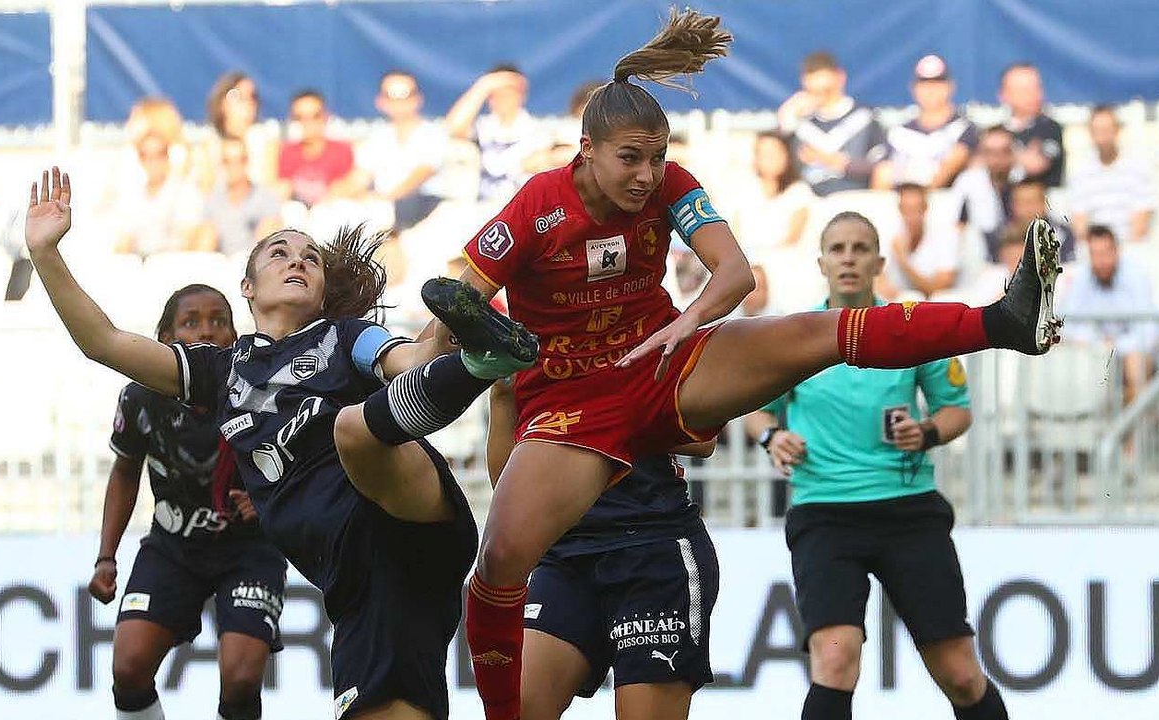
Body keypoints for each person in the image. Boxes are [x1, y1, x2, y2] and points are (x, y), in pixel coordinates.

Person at [448, 11, 1062, 720]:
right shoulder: (536, 210)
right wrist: (450, 371)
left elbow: (734, 274)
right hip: (579, 420)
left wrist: (682, 324)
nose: (648, 174)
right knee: (496, 564)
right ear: (585, 150)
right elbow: (456, 301)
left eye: (658, 155)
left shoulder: (672, 182)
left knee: (812, 330)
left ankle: (1002, 321)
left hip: (663, 386)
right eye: (631, 158)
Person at [26, 165, 540, 720]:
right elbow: (103, 342)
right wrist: (45, 255)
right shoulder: (222, 371)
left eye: (310, 258)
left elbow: (411, 363)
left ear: (322, 292)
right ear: (247, 287)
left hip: (404, 512)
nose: (297, 260)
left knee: (352, 430)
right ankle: (480, 362)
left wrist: (451, 326)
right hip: (356, 574)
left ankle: (482, 363)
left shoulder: (344, 337)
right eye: (279, 253)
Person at [741, 212, 1003, 720]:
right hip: (825, 513)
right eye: (837, 248)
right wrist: (773, 436)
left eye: (860, 248)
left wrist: (926, 432)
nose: (848, 258)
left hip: (908, 511)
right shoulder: (797, 336)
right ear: (821, 263)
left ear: (879, 262)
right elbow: (755, 408)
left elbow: (957, 410)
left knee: (961, 674)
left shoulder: (912, 330)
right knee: (835, 663)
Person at [90, 284, 286, 720]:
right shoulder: (140, 396)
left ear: (236, 337)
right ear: (164, 339)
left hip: (249, 551)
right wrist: (106, 557)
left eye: (219, 322)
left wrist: (268, 503)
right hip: (173, 548)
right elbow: (125, 471)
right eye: (190, 322)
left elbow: (302, 463)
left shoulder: (263, 391)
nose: (206, 332)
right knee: (129, 665)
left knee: (240, 677)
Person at [487, 378, 720, 720]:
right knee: (519, 708)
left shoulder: (645, 326)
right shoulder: (526, 337)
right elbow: (506, 490)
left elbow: (704, 438)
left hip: (653, 546)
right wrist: (501, 397)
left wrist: (590, 408)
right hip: (565, 550)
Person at [1058, 226, 1159, 407]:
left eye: (1105, 253)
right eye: (1095, 254)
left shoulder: (1137, 276)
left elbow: (1149, 334)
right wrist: (1099, 344)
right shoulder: (1082, 277)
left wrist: (1114, 346)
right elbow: (1065, 324)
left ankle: (1133, 434)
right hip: (1098, 354)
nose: (1101, 261)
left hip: (1134, 354)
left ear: (1117, 251)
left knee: (1134, 363)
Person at [345, 70, 450, 233]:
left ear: (418, 99)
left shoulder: (434, 133)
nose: (400, 101)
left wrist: (385, 198)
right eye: (392, 95)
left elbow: (422, 173)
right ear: (381, 101)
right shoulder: (377, 137)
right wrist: (336, 195)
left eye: (406, 94)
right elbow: (359, 178)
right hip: (385, 208)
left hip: (425, 207)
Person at [777, 51, 887, 196]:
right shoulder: (799, 124)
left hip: (856, 198)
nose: (820, 97)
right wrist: (787, 118)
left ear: (840, 77)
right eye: (813, 91)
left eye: (826, 91)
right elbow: (774, 165)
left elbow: (881, 167)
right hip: (811, 204)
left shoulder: (865, 117)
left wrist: (835, 162)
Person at [447, 64, 549, 202]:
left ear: (522, 95)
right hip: (484, 209)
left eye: (509, 93)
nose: (503, 99)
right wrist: (483, 85)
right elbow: (454, 129)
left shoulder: (539, 131)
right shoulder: (482, 128)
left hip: (522, 209)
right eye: (496, 93)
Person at [875, 54, 977, 189]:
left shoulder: (963, 129)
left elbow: (951, 166)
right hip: (899, 202)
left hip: (944, 203)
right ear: (914, 88)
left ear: (950, 86)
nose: (931, 91)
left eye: (937, 84)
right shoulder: (899, 133)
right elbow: (883, 173)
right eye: (924, 84)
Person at [1068, 106, 1157, 245]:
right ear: (1090, 133)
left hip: (1130, 250)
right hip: (1094, 252)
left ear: (1117, 131)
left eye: (1106, 130)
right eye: (1097, 131)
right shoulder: (1080, 172)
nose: (1102, 136)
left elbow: (1141, 222)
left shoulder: (1138, 168)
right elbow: (1079, 223)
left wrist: (1119, 254)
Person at [203, 136, 283, 257]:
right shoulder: (212, 200)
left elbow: (269, 242)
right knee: (206, 234)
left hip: (253, 265)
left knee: (269, 230)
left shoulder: (266, 197)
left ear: (247, 161)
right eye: (226, 161)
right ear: (221, 164)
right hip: (219, 266)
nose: (233, 166)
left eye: (239, 160)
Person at [880, 183, 960, 300]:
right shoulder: (889, 232)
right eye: (905, 209)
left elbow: (941, 288)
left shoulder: (946, 235)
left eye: (916, 209)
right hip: (898, 306)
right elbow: (877, 277)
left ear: (925, 208)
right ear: (899, 209)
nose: (911, 216)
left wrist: (903, 262)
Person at [277, 90, 356, 208]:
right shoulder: (287, 152)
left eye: (315, 116)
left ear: (326, 116)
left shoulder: (341, 151)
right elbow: (281, 190)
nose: (308, 123)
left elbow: (344, 189)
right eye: (299, 117)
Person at [952, 127, 1017, 255]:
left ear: (1013, 153)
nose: (997, 158)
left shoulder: (1026, 180)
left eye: (1004, 151)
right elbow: (956, 225)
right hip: (977, 252)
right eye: (991, 152)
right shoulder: (967, 182)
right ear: (981, 154)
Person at [998, 63, 1065, 187]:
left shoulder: (1050, 128)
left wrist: (1001, 154)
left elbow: (1036, 165)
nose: (1033, 94)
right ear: (1003, 95)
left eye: (1037, 88)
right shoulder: (996, 131)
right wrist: (1020, 156)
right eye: (1024, 90)